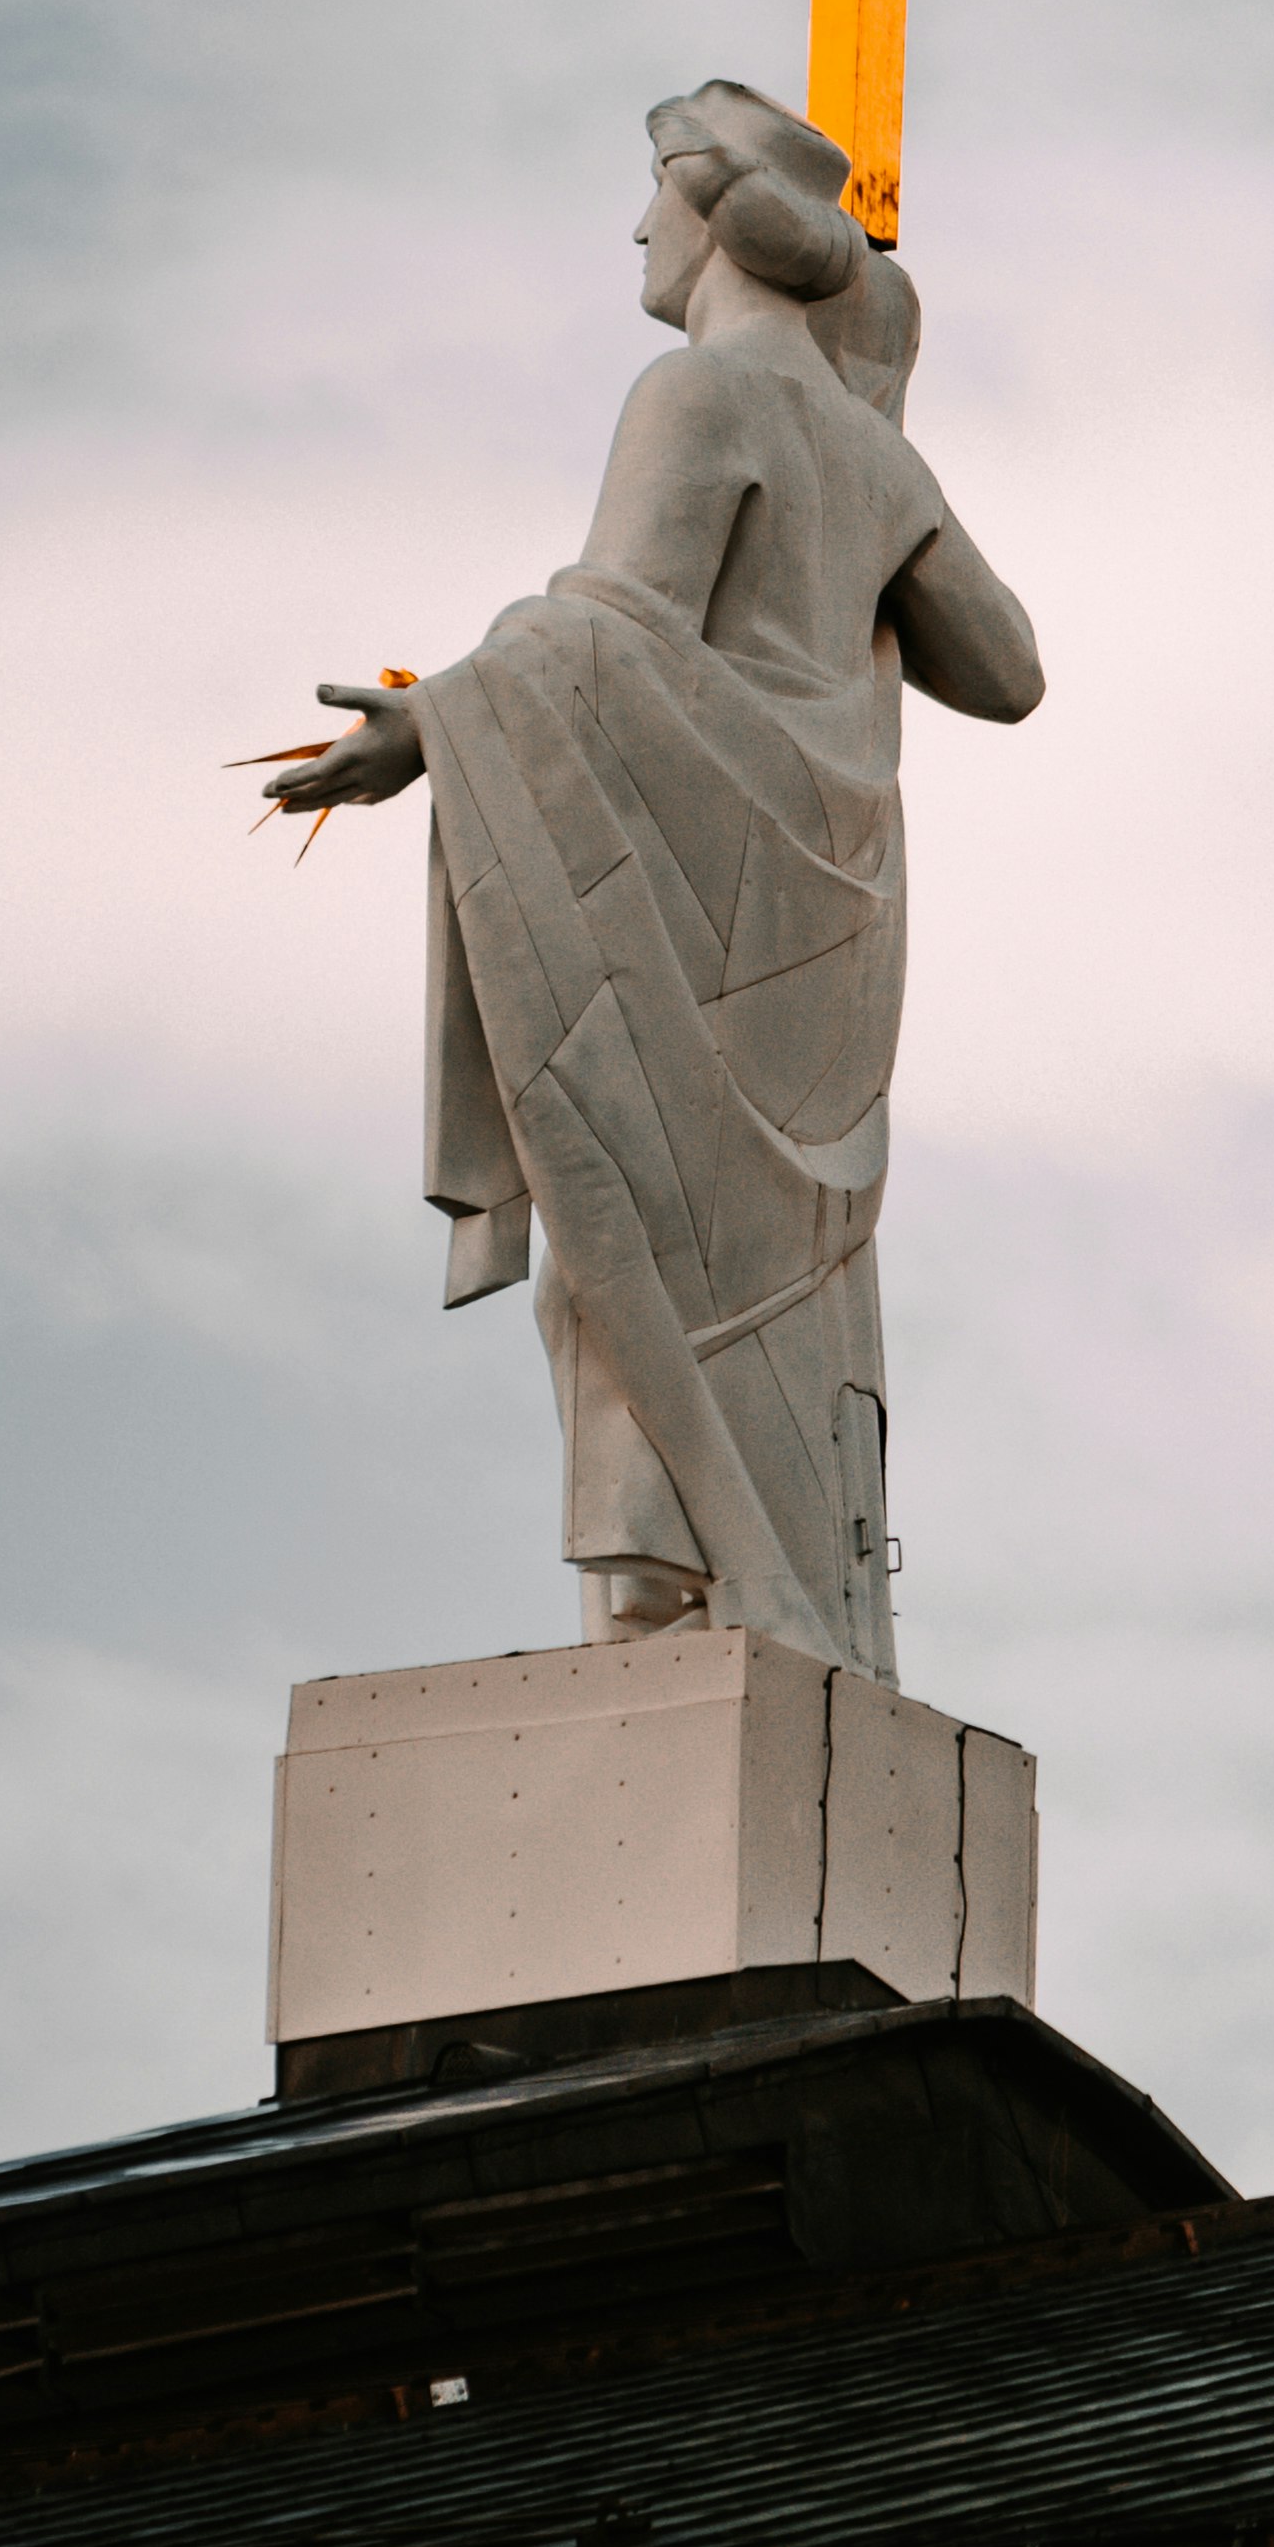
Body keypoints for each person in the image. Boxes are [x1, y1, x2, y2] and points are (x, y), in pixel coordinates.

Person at [264, 83, 1043, 1677]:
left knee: (629, 1256)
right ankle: (772, 1599)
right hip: (827, 930)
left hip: (708, 913)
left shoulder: (693, 395)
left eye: (648, 199)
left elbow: (608, 633)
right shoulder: (865, 447)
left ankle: (672, 1603)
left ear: (709, 216)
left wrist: (441, 719)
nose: (633, 230)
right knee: (769, 1280)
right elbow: (1009, 668)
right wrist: (877, 482)